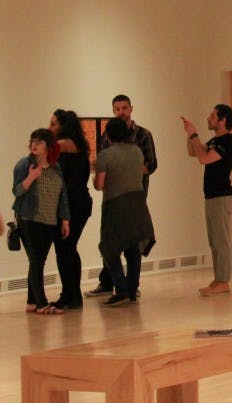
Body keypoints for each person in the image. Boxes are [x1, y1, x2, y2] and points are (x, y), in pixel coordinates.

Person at [86, 94, 157, 298]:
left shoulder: (142, 135)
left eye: (124, 108)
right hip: (132, 198)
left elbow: (151, 165)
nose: (121, 112)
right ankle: (122, 287)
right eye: (117, 109)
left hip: (119, 199)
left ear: (131, 108)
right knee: (130, 245)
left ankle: (124, 289)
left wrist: (116, 170)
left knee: (111, 245)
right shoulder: (134, 151)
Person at [182, 104, 232, 296]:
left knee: (222, 241)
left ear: (223, 120)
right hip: (211, 195)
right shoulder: (215, 140)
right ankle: (218, 279)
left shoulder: (228, 142)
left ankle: (223, 281)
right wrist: (190, 134)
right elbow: (194, 152)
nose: (208, 118)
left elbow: (204, 158)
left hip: (221, 196)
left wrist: (195, 134)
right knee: (214, 241)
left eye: (213, 116)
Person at [12, 129, 70, 315]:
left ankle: (32, 301)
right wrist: (31, 177)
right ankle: (41, 303)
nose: (34, 145)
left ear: (48, 146)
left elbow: (62, 195)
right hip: (29, 218)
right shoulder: (24, 164)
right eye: (32, 141)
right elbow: (17, 191)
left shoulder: (55, 167)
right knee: (37, 260)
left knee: (38, 260)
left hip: (50, 220)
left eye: (39, 141)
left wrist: (65, 219)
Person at [49, 109, 93, 310]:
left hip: (69, 203)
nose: (50, 128)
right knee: (69, 248)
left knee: (64, 249)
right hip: (82, 200)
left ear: (63, 126)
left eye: (54, 124)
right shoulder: (81, 146)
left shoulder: (60, 145)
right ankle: (72, 294)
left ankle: (71, 295)